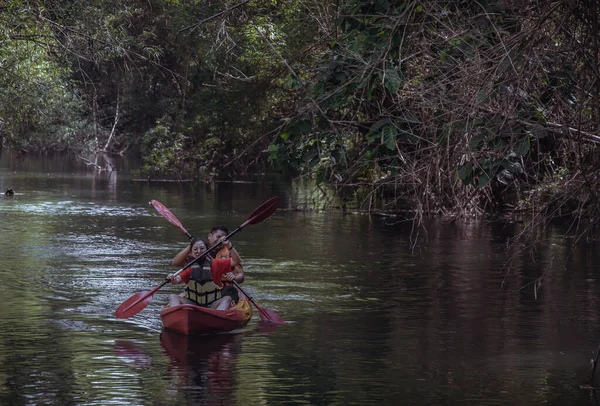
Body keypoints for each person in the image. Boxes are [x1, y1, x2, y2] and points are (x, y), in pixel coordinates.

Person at [167, 238, 239, 311]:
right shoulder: (188, 268)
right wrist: (172, 278)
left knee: (227, 298)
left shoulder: (217, 263)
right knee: (173, 297)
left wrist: (229, 245)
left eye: (202, 248)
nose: (199, 251)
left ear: (207, 251)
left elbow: (236, 261)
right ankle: (178, 316)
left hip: (212, 304)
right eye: (195, 249)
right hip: (192, 304)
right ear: (191, 253)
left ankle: (218, 316)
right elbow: (176, 280)